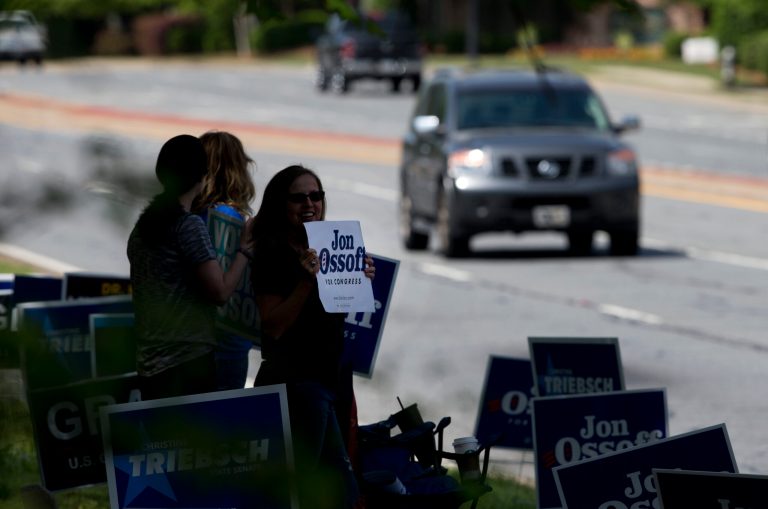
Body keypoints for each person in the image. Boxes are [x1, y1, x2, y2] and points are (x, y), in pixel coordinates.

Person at [249, 164, 374, 509]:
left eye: (316, 195)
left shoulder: (322, 247)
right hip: (297, 386)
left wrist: (357, 279)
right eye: (299, 197)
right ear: (281, 203)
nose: (310, 203)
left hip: (325, 383)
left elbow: (330, 316)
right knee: (308, 492)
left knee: (341, 492)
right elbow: (272, 326)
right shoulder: (273, 254)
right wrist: (306, 282)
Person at [127, 134, 254, 400]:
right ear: (203, 176)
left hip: (149, 362)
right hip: (187, 363)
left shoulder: (143, 226)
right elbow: (219, 293)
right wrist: (244, 251)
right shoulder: (188, 226)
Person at [194, 130, 257, 391]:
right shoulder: (227, 217)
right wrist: (246, 251)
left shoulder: (191, 215)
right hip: (226, 346)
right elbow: (222, 289)